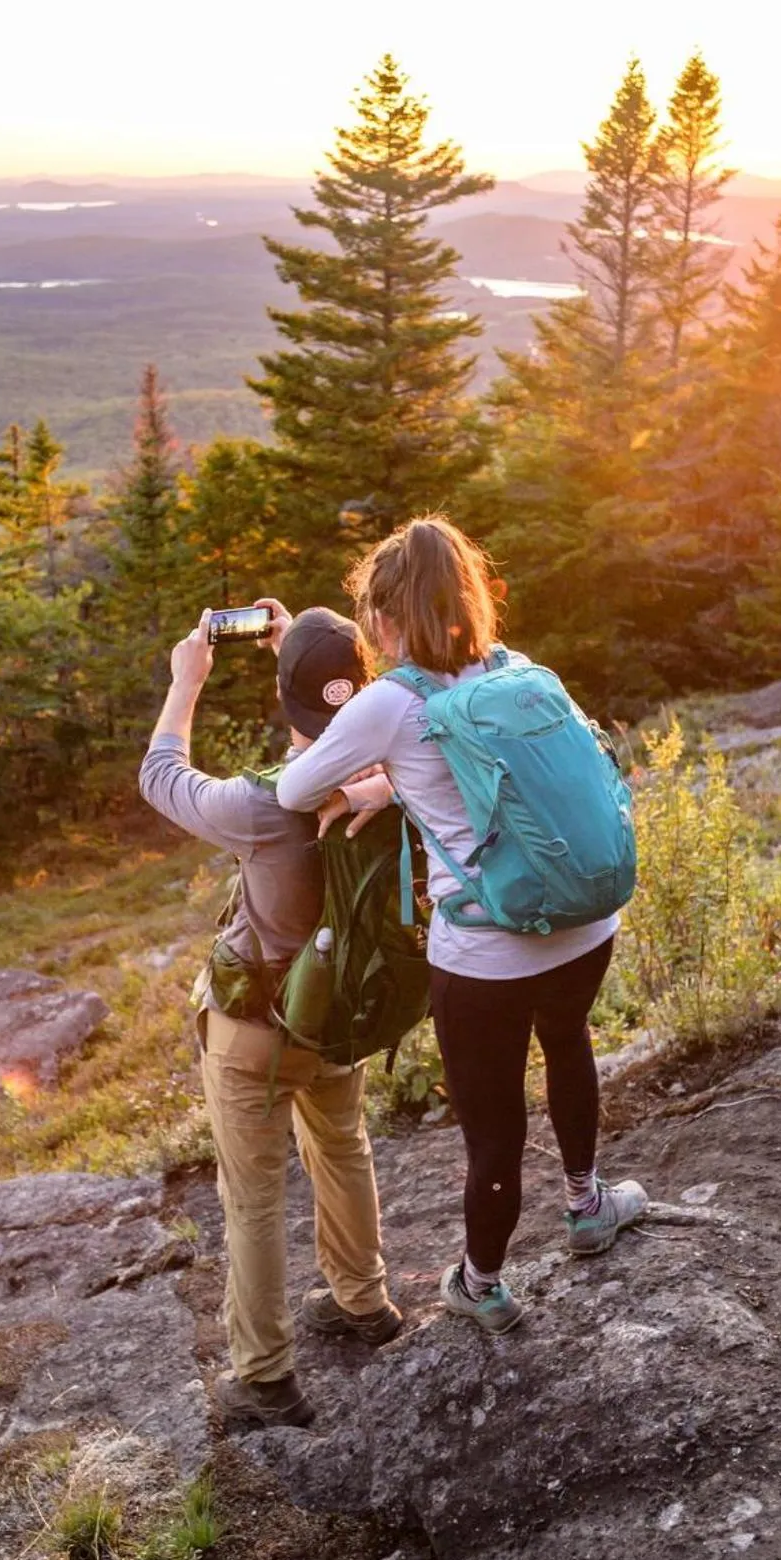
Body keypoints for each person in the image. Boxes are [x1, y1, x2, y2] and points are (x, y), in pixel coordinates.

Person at [276, 518, 646, 1335]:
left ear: (384, 618)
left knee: (494, 1129)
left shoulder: (387, 703)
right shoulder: (521, 673)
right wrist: (394, 789)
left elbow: (292, 792)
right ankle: (588, 1207)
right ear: (470, 596)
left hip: (485, 951)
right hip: (585, 927)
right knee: (570, 1041)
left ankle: (481, 1285)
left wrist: (368, 779)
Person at [139, 601, 402, 1431]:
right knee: (342, 1147)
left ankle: (266, 1378)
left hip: (255, 1029)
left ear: (285, 703)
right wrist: (310, 653)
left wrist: (187, 684)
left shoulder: (259, 807)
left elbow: (158, 774)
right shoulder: (400, 770)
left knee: (253, 1199)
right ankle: (364, 1302)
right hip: (340, 1016)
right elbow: (338, 704)